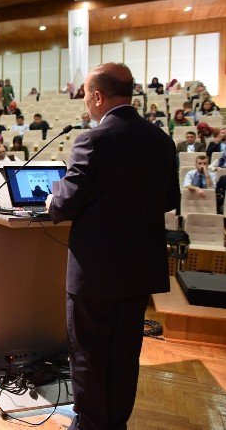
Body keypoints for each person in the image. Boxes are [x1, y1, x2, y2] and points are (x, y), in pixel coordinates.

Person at [46, 62, 179, 430]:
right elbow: (169, 198)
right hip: (138, 270)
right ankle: (115, 424)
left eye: (86, 94)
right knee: (124, 355)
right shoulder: (160, 139)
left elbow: (65, 203)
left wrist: (52, 197)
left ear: (99, 96)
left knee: (88, 354)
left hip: (95, 272)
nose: (85, 101)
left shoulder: (93, 140)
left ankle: (89, 425)